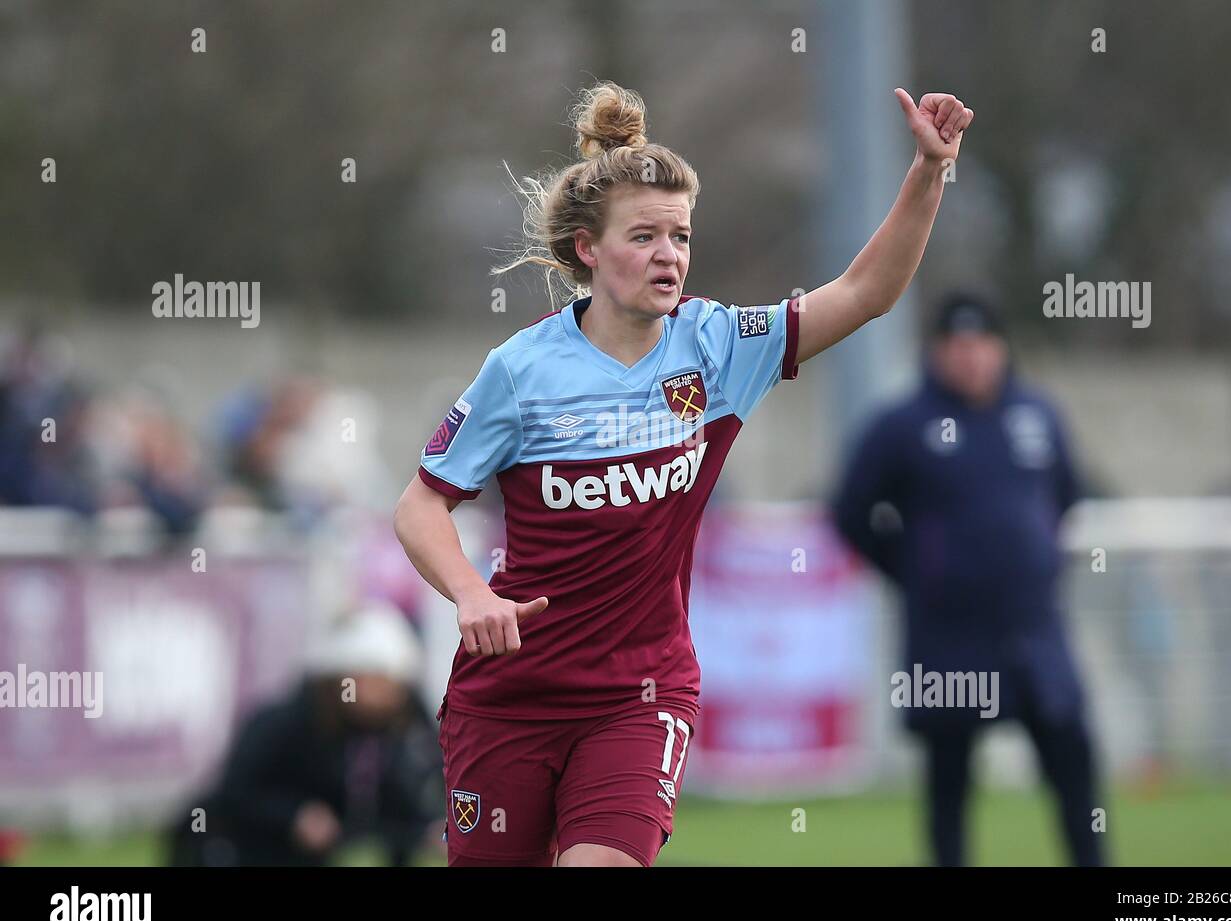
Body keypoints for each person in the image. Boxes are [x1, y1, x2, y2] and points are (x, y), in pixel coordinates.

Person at [394, 80, 974, 867]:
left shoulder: (718, 345)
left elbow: (866, 293)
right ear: (587, 250)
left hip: (641, 695)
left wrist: (928, 171)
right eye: (644, 236)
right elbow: (422, 505)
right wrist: (471, 593)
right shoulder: (522, 369)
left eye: (680, 236)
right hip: (510, 698)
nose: (668, 254)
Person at [831, 295, 1105, 866]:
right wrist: (913, 568)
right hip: (948, 637)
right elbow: (850, 510)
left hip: (1034, 632)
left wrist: (1037, 561)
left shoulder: (1038, 414)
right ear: (936, 352)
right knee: (949, 782)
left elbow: (1068, 498)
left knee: (1074, 767)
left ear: (1002, 349)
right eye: (958, 346)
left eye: (982, 344)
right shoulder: (904, 424)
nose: (971, 358)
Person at [166, 602, 446, 866]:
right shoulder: (283, 724)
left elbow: (390, 807)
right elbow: (234, 793)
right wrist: (294, 816)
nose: (392, 697)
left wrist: (425, 829)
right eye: (381, 684)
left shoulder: (386, 730)